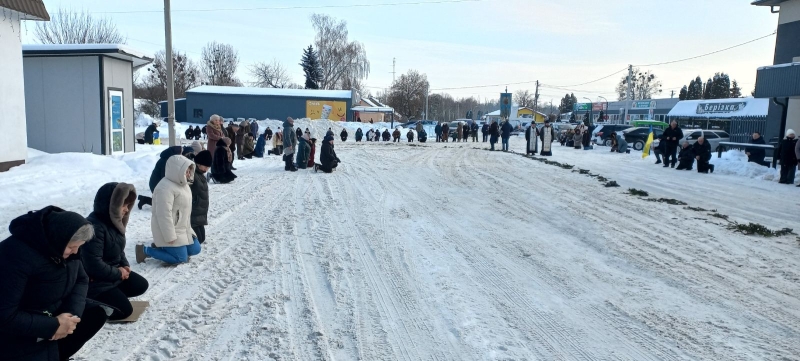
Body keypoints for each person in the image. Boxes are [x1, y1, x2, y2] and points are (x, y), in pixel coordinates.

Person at [0, 206, 107, 361]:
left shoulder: (64, 250)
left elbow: (81, 279)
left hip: (52, 313)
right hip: (18, 329)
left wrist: (71, 316)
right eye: (72, 247)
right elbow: (5, 316)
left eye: (79, 246)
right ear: (59, 238)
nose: (76, 252)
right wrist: (52, 326)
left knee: (96, 314)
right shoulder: (14, 256)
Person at [82, 182, 149, 322]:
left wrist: (124, 266)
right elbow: (93, 264)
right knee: (124, 311)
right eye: (123, 205)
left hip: (110, 274)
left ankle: (113, 296)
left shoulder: (114, 221)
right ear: (110, 205)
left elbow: (118, 249)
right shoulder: (94, 227)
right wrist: (118, 272)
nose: (126, 209)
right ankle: (88, 300)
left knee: (141, 285)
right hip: (94, 281)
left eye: (128, 205)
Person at [136, 155, 202, 265]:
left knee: (196, 249)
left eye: (190, 170)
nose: (189, 174)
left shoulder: (183, 185)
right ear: (177, 171)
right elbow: (163, 215)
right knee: (181, 259)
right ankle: (145, 251)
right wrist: (169, 236)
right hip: (168, 230)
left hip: (182, 229)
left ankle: (164, 248)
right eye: (186, 171)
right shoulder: (165, 188)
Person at [190, 150, 211, 244]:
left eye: (208, 167)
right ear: (198, 163)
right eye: (205, 166)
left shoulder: (200, 174)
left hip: (200, 211)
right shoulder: (192, 174)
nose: (206, 169)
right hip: (193, 210)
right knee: (198, 240)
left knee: (201, 239)